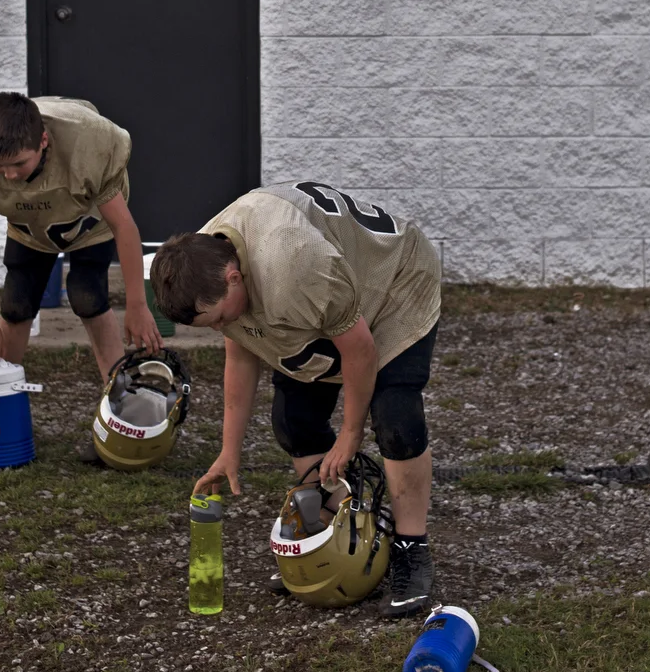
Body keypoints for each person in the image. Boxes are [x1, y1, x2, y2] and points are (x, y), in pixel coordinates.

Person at [153, 181, 442, 618]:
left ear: (234, 277)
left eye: (218, 318)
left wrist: (349, 435)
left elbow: (360, 350)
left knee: (395, 415)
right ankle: (332, 530)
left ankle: (410, 548)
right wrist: (229, 452)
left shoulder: (292, 264)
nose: (219, 328)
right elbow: (241, 352)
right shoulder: (205, 257)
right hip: (325, 295)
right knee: (294, 419)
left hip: (393, 282)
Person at [0, 93, 161, 382]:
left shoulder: (88, 145)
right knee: (16, 303)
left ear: (44, 141)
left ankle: (117, 394)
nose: (9, 176)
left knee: (87, 295)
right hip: (29, 228)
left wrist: (137, 306)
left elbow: (124, 227)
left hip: (88, 222)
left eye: (19, 163)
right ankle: (1, 396)